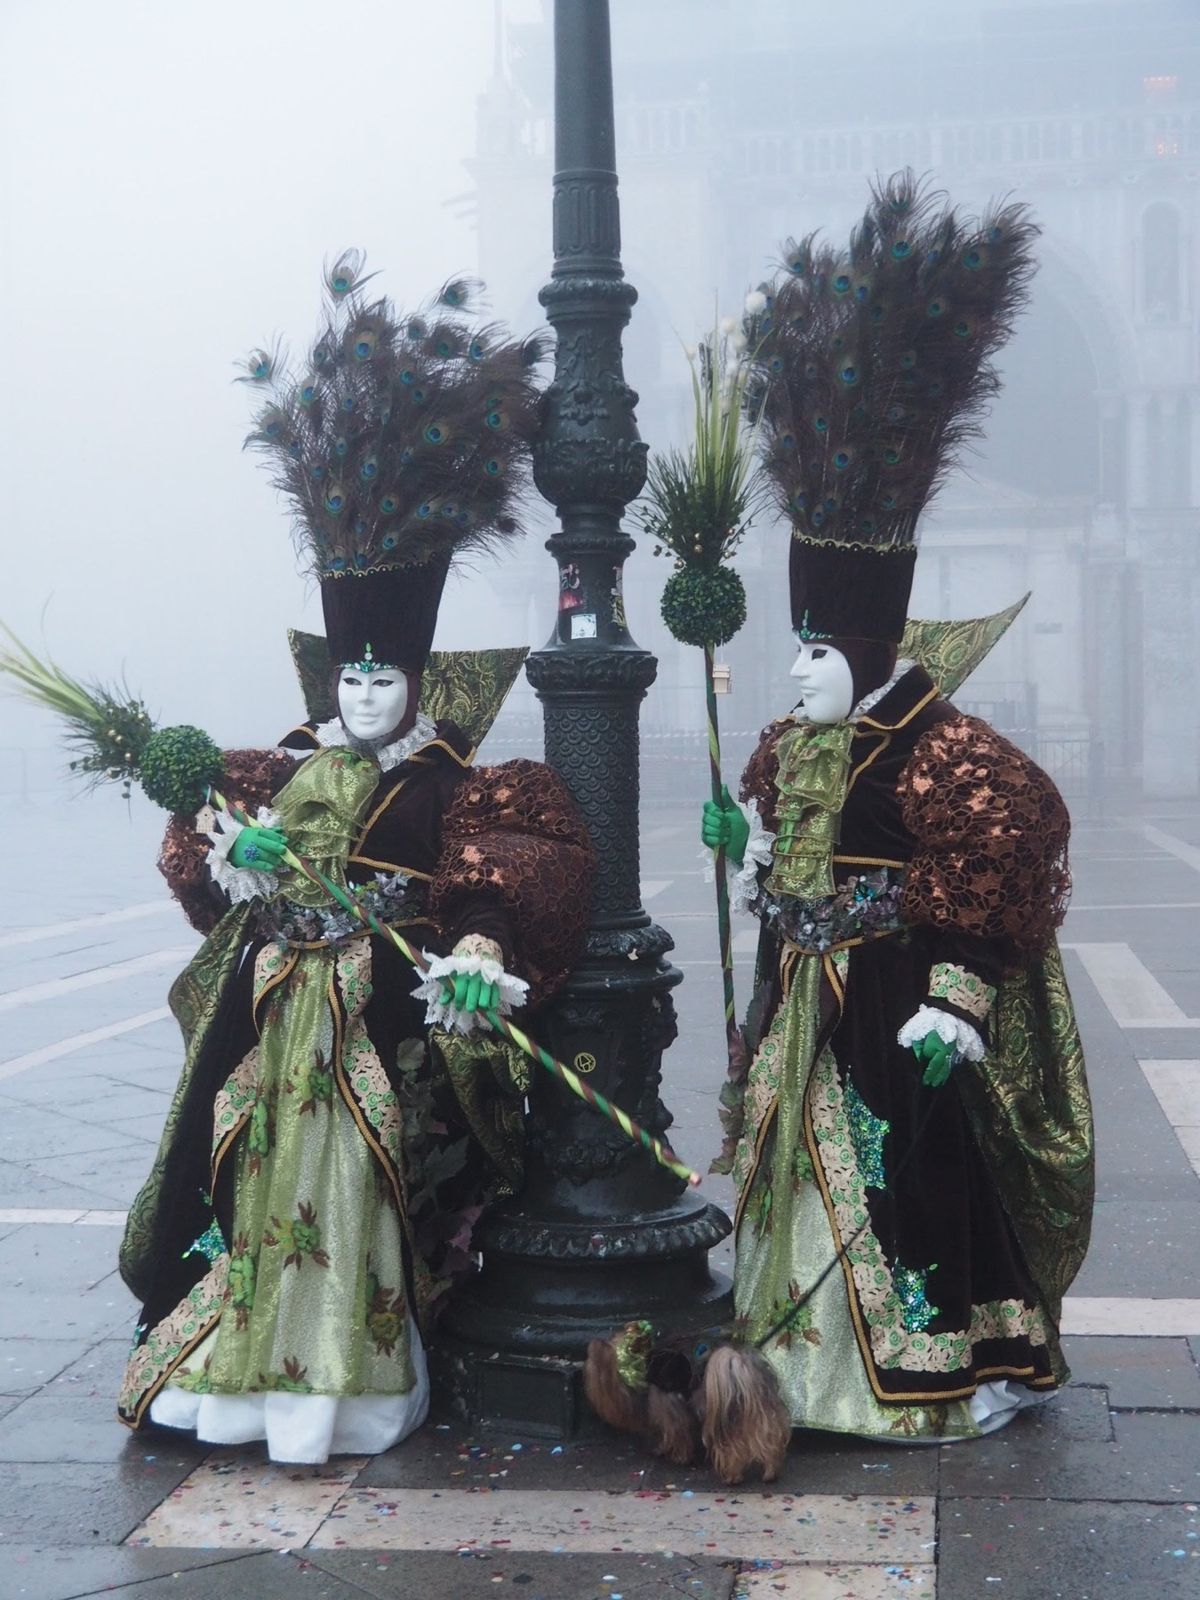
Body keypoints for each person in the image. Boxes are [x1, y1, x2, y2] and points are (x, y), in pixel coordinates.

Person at [116, 255, 594, 1463]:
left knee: (355, 1182)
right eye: (353, 674)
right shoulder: (282, 763)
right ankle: (239, 1360)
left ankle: (351, 1377)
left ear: (418, 680)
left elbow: (501, 862)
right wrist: (232, 850)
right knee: (252, 1176)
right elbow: (206, 866)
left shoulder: (457, 780)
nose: (368, 691)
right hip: (275, 1019)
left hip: (376, 1025)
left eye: (387, 675)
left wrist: (474, 941)